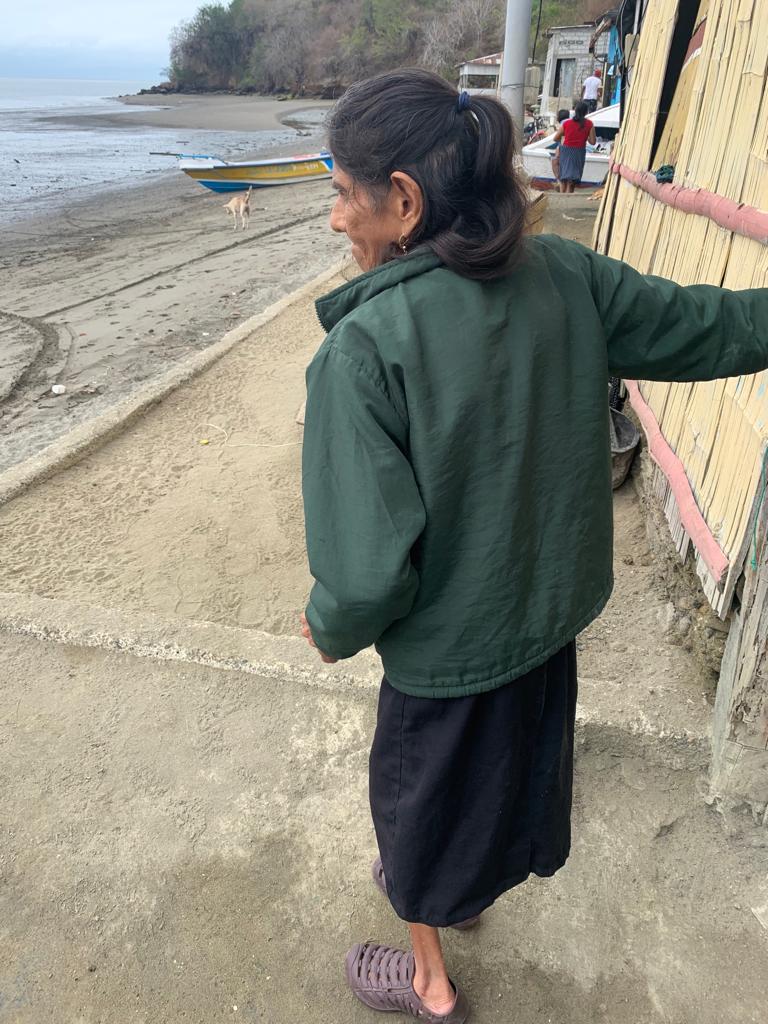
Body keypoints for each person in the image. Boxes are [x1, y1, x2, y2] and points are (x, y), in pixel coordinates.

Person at [300, 68, 768, 1023]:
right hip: (548, 623)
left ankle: (430, 985)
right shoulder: (567, 276)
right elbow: (710, 328)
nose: (335, 216)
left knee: (413, 813)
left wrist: (329, 627)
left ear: (404, 201)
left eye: (345, 193)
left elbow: (363, 576)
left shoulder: (363, 351)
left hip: (446, 658)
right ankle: (463, 889)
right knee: (501, 778)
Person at [553, 100, 596, 193]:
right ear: (586, 112)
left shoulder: (567, 123)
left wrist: (565, 138)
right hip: (579, 152)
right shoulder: (589, 124)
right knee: (572, 180)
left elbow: (555, 138)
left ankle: (562, 197)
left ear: (575, 111)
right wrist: (585, 137)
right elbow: (593, 142)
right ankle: (568, 197)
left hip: (566, 151)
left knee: (564, 178)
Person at [549, 108, 571, 189]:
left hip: (565, 148)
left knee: (554, 161)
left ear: (559, 117)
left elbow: (557, 138)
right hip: (573, 149)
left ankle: (559, 181)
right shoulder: (570, 122)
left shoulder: (563, 123)